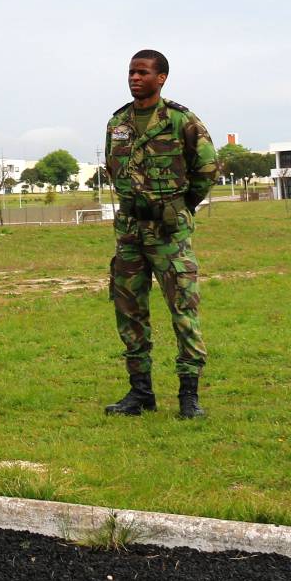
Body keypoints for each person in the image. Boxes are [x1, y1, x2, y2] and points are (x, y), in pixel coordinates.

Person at [101, 50, 217, 419]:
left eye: (143, 72)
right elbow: (112, 167)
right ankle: (140, 393)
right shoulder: (117, 122)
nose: (135, 78)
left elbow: (207, 168)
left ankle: (189, 396)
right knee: (129, 312)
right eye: (131, 72)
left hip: (169, 233)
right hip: (130, 232)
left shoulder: (181, 119)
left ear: (161, 77)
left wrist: (181, 207)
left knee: (183, 310)